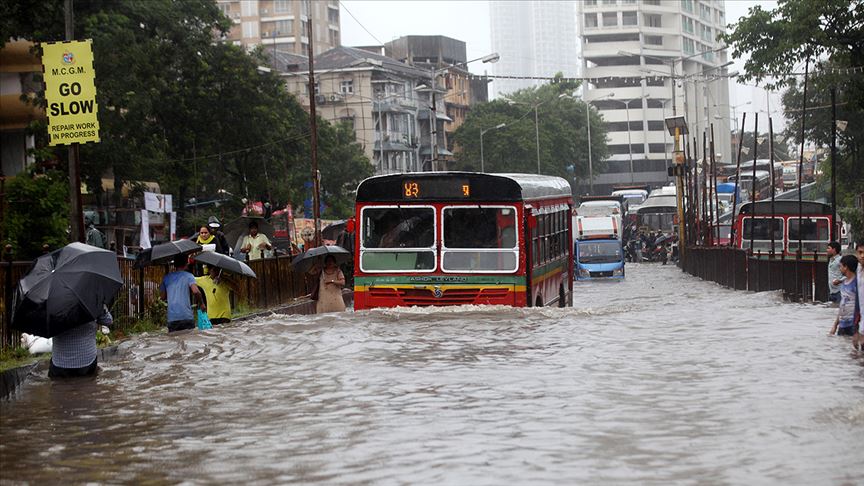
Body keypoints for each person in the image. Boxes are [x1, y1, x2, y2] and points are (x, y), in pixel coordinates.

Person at [49, 307, 112, 378]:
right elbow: (108, 321)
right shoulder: (92, 301)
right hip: (87, 360)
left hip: (60, 363)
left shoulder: (53, 305)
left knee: (58, 386)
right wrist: (102, 307)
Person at [160, 255, 205, 332]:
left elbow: (162, 297)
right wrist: (201, 303)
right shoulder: (189, 276)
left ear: (174, 265)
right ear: (186, 264)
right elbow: (196, 291)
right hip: (186, 317)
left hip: (172, 318)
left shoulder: (166, 278)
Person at [829, 255, 858, 337]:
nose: (839, 268)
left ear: (846, 267)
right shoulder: (843, 283)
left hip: (854, 324)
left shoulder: (857, 283)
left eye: (840, 266)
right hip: (842, 324)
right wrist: (835, 325)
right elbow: (842, 305)